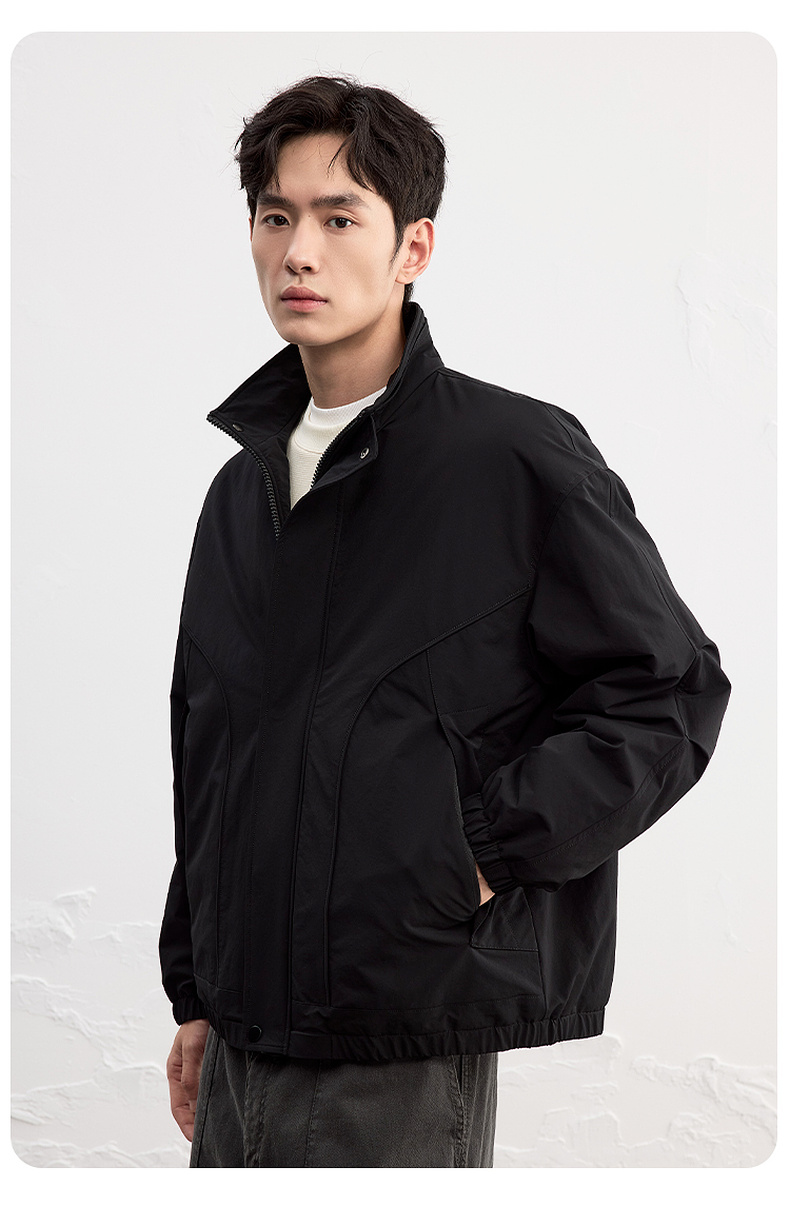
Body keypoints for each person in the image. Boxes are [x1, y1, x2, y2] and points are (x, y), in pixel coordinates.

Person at [159, 74, 731, 1168]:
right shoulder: (241, 491)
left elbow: (668, 692)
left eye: (339, 219)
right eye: (275, 216)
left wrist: (477, 849)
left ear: (412, 247)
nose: (298, 252)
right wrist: (197, 986)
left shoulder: (510, 457)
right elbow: (214, 750)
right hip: (241, 1033)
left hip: (401, 1029)